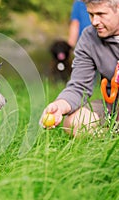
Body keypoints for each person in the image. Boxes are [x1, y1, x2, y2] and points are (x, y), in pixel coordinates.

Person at [41, 0, 119, 135]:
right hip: (113, 107)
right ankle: (111, 135)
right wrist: (60, 106)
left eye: (101, 14)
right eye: (91, 14)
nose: (94, 21)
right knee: (72, 123)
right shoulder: (89, 38)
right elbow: (79, 87)